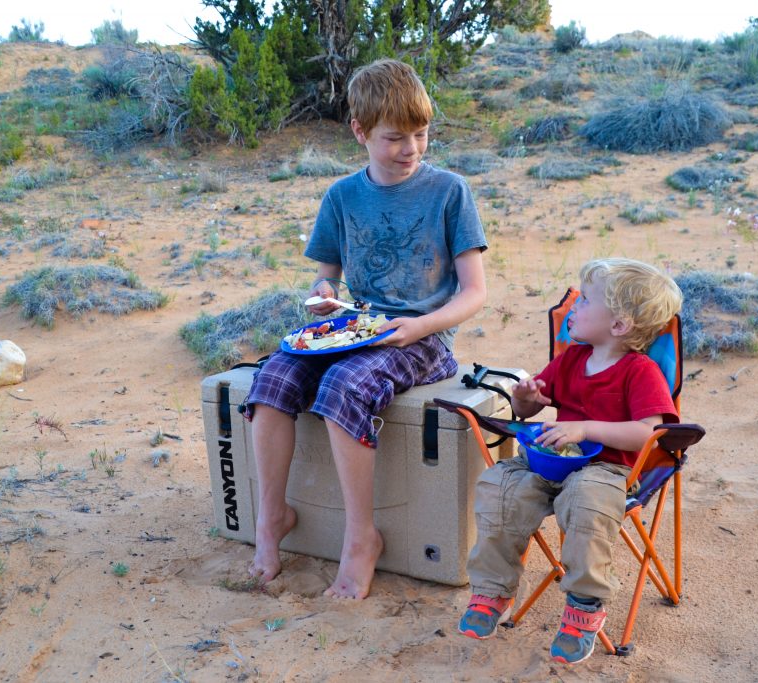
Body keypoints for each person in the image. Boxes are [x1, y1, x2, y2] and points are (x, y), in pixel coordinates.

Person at [242, 59, 487, 600]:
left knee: (344, 386)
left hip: (426, 339)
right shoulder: (341, 196)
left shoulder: (449, 192)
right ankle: (271, 517)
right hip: (359, 328)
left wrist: (420, 324)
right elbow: (325, 280)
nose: (412, 149)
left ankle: (361, 537)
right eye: (395, 137)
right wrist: (324, 298)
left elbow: (474, 293)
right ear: (359, 131)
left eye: (421, 135)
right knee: (274, 378)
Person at [458, 258, 682, 664]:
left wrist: (586, 429)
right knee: (499, 486)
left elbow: (648, 432)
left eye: (585, 301)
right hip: (551, 463)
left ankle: (584, 607)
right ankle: (492, 591)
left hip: (608, 470)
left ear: (619, 325)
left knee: (586, 502)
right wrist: (526, 397)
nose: (573, 307)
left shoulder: (640, 371)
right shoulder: (572, 360)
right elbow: (527, 411)